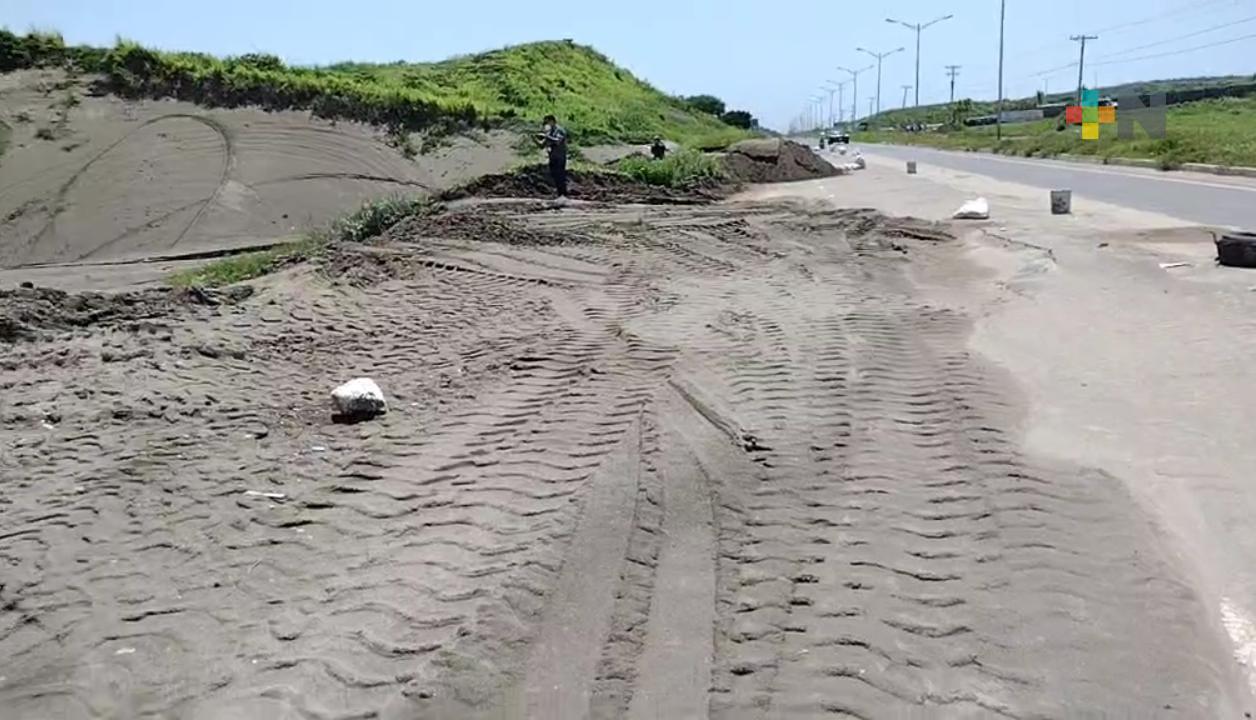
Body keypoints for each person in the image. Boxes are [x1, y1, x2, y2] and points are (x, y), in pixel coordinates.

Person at [535, 115, 568, 198]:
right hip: (553, 157)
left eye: (547, 122)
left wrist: (546, 136)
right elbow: (542, 145)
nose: (546, 125)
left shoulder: (559, 130)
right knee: (554, 175)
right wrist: (534, 138)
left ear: (552, 121)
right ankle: (559, 194)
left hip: (560, 157)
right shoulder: (550, 132)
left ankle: (563, 194)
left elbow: (558, 141)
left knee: (560, 176)